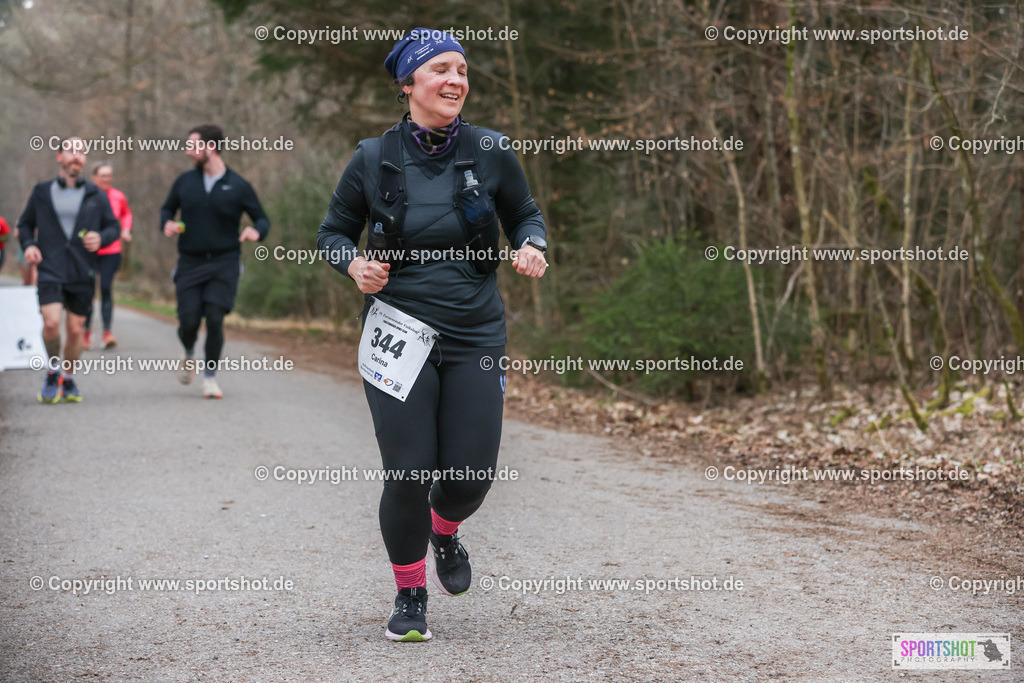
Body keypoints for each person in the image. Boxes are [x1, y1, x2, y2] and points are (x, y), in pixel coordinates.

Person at [318, 28, 548, 642]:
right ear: (409, 84)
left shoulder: (493, 149)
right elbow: (333, 231)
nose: (456, 81)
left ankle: (446, 531)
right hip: (399, 330)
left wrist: (532, 244)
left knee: (470, 476)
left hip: (475, 332)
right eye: (441, 69)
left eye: (463, 71)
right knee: (409, 471)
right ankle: (410, 593)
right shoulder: (373, 157)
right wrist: (354, 265)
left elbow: (525, 213)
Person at [160, 124, 270, 399]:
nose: (187, 151)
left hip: (225, 262)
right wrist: (167, 223)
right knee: (188, 320)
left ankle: (209, 378)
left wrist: (256, 231)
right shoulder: (185, 182)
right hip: (189, 262)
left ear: (210, 147)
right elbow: (166, 209)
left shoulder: (238, 185)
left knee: (215, 317)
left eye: (192, 145)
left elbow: (262, 218)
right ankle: (188, 353)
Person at [17, 137, 121, 402]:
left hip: (82, 270)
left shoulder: (95, 194)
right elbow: (26, 224)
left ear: (84, 160)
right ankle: (53, 370)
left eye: (81, 152)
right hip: (50, 268)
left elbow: (113, 227)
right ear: (59, 156)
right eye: (71, 151)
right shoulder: (41, 191)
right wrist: (29, 245)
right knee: (51, 323)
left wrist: (101, 238)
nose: (76, 156)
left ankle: (69, 376)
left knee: (75, 331)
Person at [84, 162, 133, 349]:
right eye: (103, 175)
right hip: (89, 250)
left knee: (105, 288)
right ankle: (86, 334)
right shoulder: (86, 195)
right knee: (87, 291)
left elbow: (126, 214)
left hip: (111, 250)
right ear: (94, 177)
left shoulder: (118, 196)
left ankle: (107, 333)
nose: (107, 179)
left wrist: (126, 229)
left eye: (109, 175)